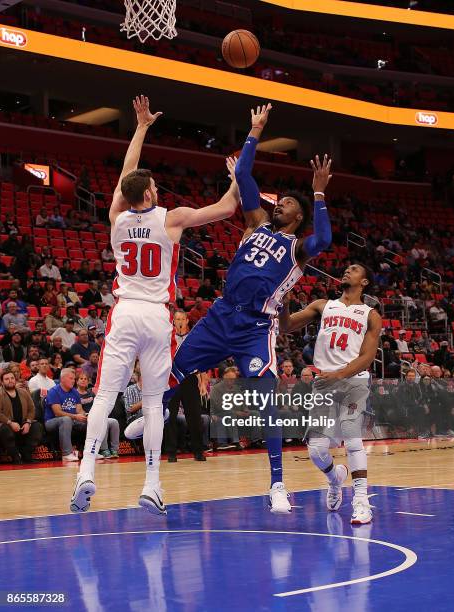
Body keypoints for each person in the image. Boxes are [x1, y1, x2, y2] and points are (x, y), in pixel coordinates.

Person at [127, 103, 332, 513]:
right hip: (222, 315)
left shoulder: (298, 248)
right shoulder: (255, 223)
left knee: (267, 402)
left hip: (257, 327)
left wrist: (319, 190)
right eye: (281, 201)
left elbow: (325, 239)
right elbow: (242, 175)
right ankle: (161, 413)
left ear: (300, 216)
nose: (281, 205)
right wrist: (254, 130)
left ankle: (277, 484)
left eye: (289, 203)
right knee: (173, 370)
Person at [71, 95, 240, 515]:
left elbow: (126, 174)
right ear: (150, 191)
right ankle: (151, 484)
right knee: (151, 403)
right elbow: (226, 208)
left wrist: (142, 128)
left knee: (104, 394)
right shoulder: (172, 218)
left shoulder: (117, 217)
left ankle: (86, 472)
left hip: (124, 311)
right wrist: (239, 177)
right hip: (158, 317)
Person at [280, 263, 381, 524]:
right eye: (347, 268)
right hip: (324, 384)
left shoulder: (370, 314)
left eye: (355, 269)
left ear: (365, 282)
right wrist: (285, 302)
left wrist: (340, 374)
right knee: (316, 450)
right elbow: (286, 326)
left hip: (353, 380)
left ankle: (361, 502)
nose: (348, 270)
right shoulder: (323, 305)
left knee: (352, 435)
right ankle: (335, 479)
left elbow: (368, 357)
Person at [0, 368, 43, 463]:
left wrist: (28, 422)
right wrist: (10, 423)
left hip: (23, 424)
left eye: (12, 378)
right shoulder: (0, 394)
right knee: (5, 429)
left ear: (15, 380)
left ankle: (27, 454)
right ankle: (15, 456)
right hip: (7, 425)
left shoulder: (23, 392)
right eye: (7, 379)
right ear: (2, 382)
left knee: (37, 427)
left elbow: (32, 409)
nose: (10, 380)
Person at [44, 368, 87, 461]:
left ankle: (91, 452)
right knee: (66, 419)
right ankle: (66, 454)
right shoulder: (53, 391)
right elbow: (57, 412)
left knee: (90, 421)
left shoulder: (74, 391)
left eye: (74, 379)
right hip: (52, 421)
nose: (73, 381)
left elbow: (79, 409)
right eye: (71, 378)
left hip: (72, 420)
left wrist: (84, 415)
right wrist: (76, 416)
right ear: (62, 379)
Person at [77, 372, 119, 458]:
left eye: (85, 379)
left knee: (114, 422)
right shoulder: (75, 394)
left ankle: (115, 449)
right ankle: (104, 449)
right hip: (83, 418)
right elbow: (77, 410)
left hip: (95, 415)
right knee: (102, 422)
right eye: (81, 379)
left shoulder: (91, 393)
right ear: (77, 381)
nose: (83, 380)